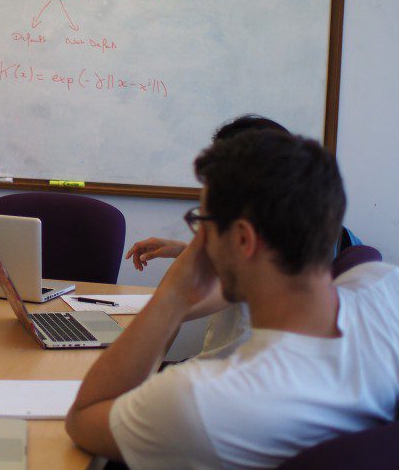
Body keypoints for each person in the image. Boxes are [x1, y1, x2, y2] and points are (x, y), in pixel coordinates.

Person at [65, 130, 399, 470]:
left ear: (241, 239)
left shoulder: (202, 395)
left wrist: (172, 295)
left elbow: (82, 419)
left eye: (202, 223)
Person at [125, 115, 363, 352]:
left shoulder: (251, 269)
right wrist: (185, 248)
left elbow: (169, 309)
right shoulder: (305, 234)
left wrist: (205, 232)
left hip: (222, 373)